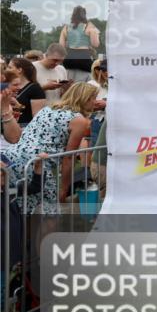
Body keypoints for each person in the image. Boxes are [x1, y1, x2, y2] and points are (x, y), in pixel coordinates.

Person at [4, 82, 98, 214]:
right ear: (85, 98)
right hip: (37, 165)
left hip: (11, 159)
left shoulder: (47, 109)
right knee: (49, 213)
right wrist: (64, 189)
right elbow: (69, 157)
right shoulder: (79, 120)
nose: (96, 102)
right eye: (94, 98)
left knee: (19, 209)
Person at [59, 6, 101, 82]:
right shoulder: (89, 27)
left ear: (73, 15)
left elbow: (61, 47)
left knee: (69, 84)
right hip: (84, 59)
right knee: (85, 85)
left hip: (69, 59)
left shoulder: (66, 28)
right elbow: (95, 44)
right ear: (84, 15)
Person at [8, 57, 46, 126]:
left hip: (25, 127)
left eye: (10, 67)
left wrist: (18, 106)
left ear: (19, 70)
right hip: (9, 125)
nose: (7, 70)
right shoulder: (9, 85)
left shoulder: (35, 89)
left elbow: (37, 117)